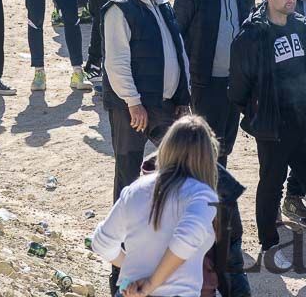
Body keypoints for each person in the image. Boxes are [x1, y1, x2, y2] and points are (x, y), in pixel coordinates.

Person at [229, 0, 306, 267]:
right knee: (271, 183)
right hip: (273, 123)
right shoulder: (253, 33)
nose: (291, 0)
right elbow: (239, 84)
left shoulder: (301, 26)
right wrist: (254, 113)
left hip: (304, 118)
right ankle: (269, 244)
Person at [90, 115, 218, 297]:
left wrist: (135, 269)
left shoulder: (135, 188)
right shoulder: (201, 194)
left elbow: (101, 242)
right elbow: (186, 239)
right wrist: (150, 283)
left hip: (129, 291)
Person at [101, 0, 191, 200]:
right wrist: (133, 102)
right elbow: (116, 62)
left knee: (182, 162)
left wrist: (183, 98)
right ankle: (122, 233)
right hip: (133, 108)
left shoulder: (162, 4)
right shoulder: (120, 9)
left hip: (165, 104)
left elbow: (179, 53)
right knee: (128, 173)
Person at [176, 0, 251, 166]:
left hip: (233, 84)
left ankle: (217, 199)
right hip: (204, 84)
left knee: (223, 148)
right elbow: (175, 37)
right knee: (203, 150)